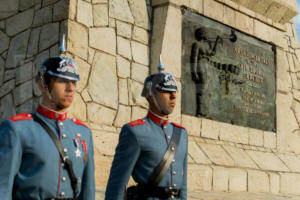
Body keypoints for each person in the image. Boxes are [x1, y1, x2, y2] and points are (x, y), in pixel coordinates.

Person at [0, 55, 95, 200]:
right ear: (42, 85)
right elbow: (2, 188)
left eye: (74, 82)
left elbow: (88, 192)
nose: (70, 88)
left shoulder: (84, 133)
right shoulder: (17, 129)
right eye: (62, 81)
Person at [105, 71, 188, 200]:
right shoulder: (135, 132)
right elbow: (117, 183)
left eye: (174, 91)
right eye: (165, 91)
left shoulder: (182, 134)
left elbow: (183, 186)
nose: (173, 96)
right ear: (150, 96)